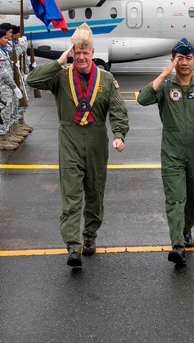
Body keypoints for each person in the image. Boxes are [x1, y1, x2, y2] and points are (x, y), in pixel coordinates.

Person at [26, 23, 129, 269]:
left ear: (93, 52)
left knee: (94, 193)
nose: (81, 58)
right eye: (77, 53)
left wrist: (119, 134)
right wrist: (58, 62)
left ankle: (90, 237)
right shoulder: (61, 77)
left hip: (96, 141)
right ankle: (73, 247)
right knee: (71, 196)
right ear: (72, 52)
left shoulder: (106, 78)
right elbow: (32, 80)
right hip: (69, 140)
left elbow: (118, 110)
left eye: (85, 53)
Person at [138, 38, 194, 264]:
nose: (184, 63)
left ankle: (186, 229)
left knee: (193, 196)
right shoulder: (166, 88)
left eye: (188, 58)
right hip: (172, 149)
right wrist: (164, 73)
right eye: (179, 59)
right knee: (175, 198)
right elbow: (143, 98)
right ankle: (177, 243)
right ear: (173, 61)